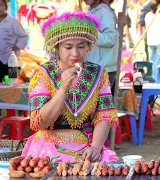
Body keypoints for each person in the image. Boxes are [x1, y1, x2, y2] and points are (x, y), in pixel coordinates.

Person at [22, 12, 119, 162]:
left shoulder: (98, 74)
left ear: (88, 47)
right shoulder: (44, 73)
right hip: (49, 145)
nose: (75, 53)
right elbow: (41, 123)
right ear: (57, 48)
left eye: (81, 46)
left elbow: (103, 116)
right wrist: (63, 90)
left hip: (88, 145)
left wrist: (95, 147)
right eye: (68, 47)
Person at [0, 0, 28, 85]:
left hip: (11, 59)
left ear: (5, 6)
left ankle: (10, 97)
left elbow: (24, 36)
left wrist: (17, 47)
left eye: (1, 5)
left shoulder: (13, 22)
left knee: (10, 84)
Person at [84, 0, 119, 97]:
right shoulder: (92, 11)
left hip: (104, 68)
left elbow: (110, 39)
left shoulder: (104, 13)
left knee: (101, 104)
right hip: (94, 66)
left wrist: (89, 32)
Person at [144, 0, 160, 81]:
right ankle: (158, 80)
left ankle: (152, 78)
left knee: (151, 61)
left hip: (150, 41)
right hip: (159, 41)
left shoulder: (147, 16)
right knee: (158, 63)